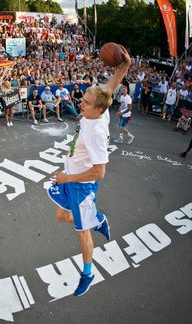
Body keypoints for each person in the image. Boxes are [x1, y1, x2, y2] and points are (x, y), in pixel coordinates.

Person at [47, 45, 131, 297]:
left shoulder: (96, 132)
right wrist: (125, 65)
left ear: (99, 109)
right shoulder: (100, 103)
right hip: (70, 175)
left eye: (85, 102)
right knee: (62, 217)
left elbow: (99, 172)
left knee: (82, 234)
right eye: (82, 99)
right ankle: (98, 219)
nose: (80, 104)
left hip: (81, 185)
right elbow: (113, 83)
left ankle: (88, 273)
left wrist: (67, 177)